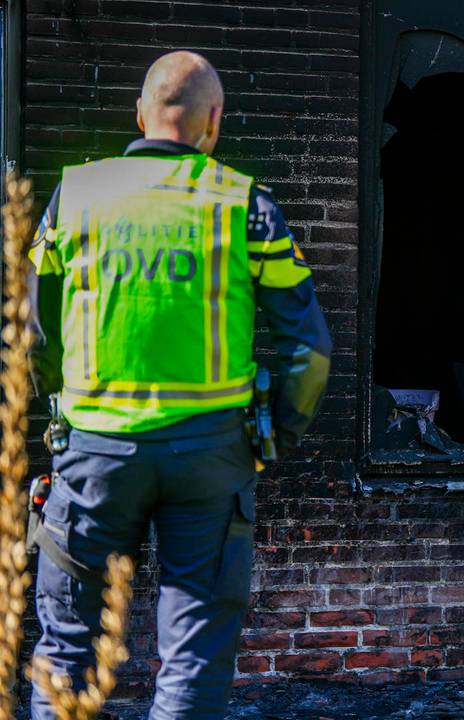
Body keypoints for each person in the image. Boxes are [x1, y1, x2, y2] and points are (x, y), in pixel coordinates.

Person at [26, 51, 331, 719]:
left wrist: (63, 406)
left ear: (139, 113)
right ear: (213, 121)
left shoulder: (75, 196)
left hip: (95, 453)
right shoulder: (247, 208)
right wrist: (270, 438)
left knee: (69, 648)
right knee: (194, 651)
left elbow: (32, 325)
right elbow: (309, 351)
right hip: (212, 458)